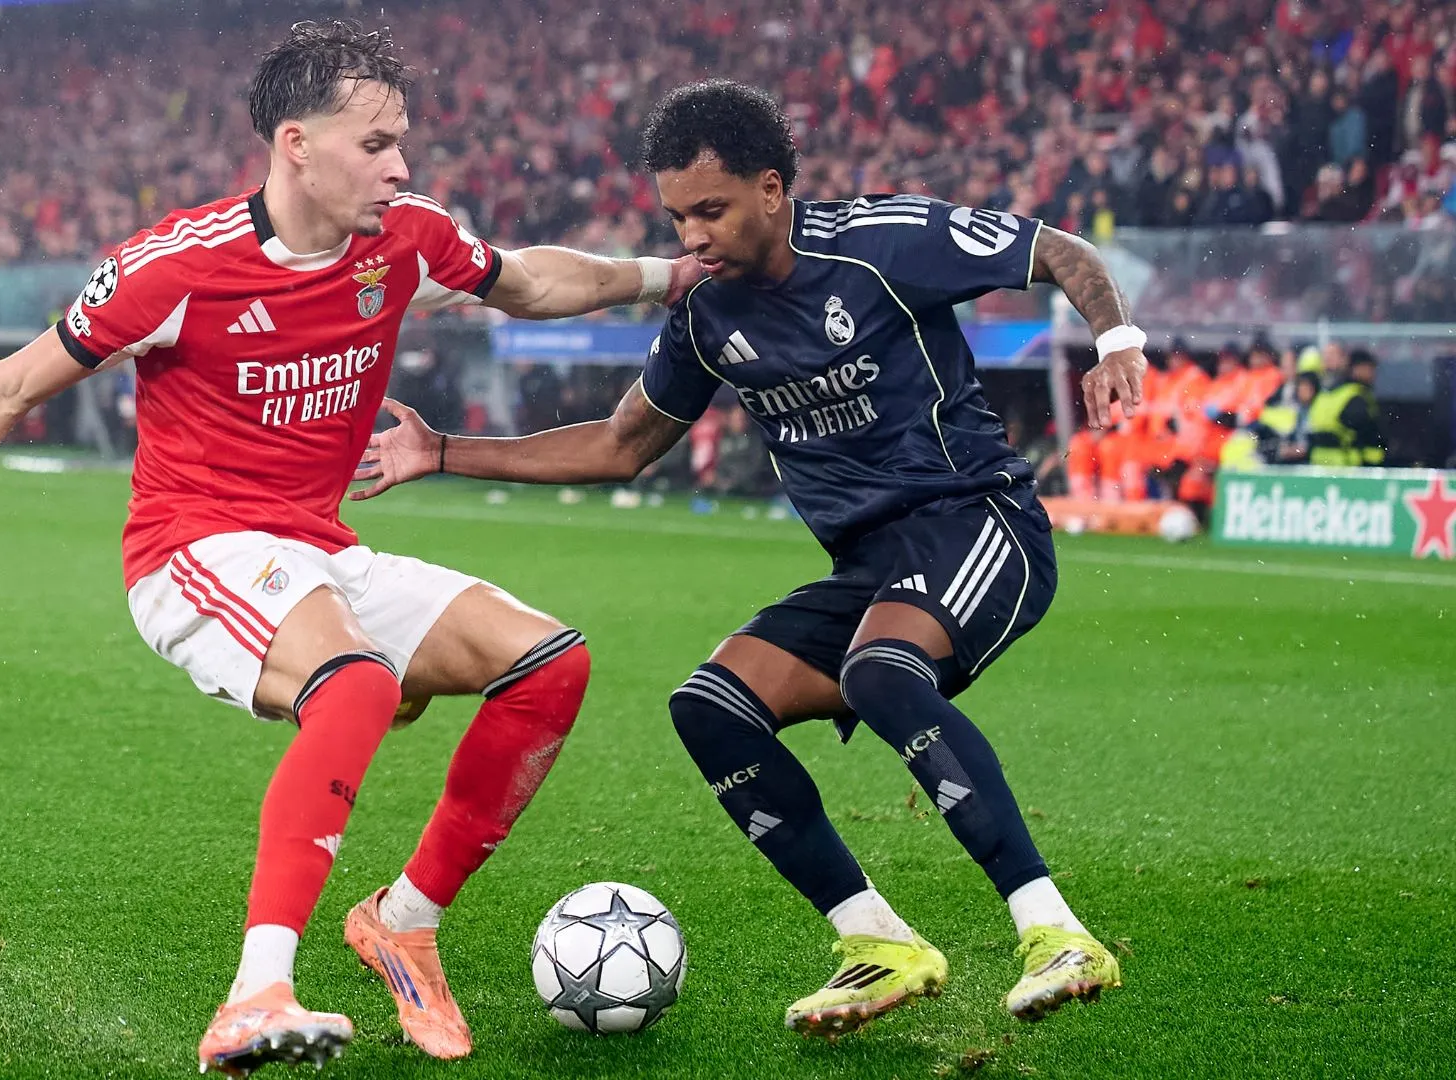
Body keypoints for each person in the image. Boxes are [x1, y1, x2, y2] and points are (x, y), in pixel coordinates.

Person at [0, 21, 700, 1077]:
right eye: (377, 142)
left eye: (404, 140)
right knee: (351, 687)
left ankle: (401, 919)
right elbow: (9, 388)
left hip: (319, 552)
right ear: (295, 143)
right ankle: (255, 995)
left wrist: (667, 277)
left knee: (547, 663)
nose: (402, 164)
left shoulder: (406, 238)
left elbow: (530, 282)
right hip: (191, 552)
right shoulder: (178, 269)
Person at [355, 81, 1144, 1039]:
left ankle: (1054, 932)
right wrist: (442, 453)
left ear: (772, 189)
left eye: (712, 210)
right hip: (869, 566)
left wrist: (1117, 340)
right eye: (678, 216)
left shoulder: (881, 242)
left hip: (977, 522)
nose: (692, 236)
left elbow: (1060, 249)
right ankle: (879, 942)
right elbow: (619, 445)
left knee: (882, 672)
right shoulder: (703, 314)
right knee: (711, 709)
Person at [1307, 349, 1385, 466]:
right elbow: (1366, 432)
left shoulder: (1324, 394)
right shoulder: (1356, 395)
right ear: (1358, 368)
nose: (1373, 375)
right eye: (1371, 369)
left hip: (1319, 462)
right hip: (1348, 464)